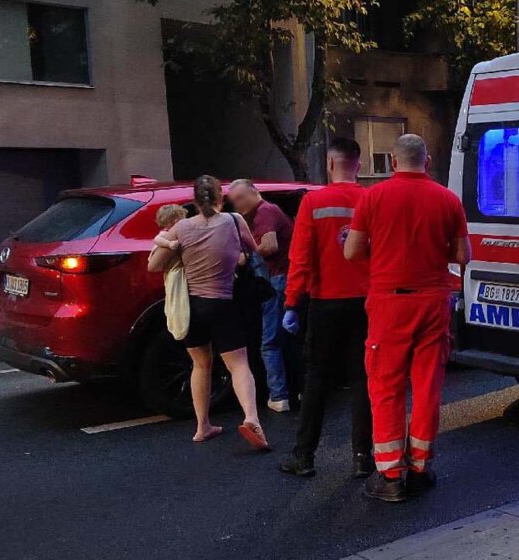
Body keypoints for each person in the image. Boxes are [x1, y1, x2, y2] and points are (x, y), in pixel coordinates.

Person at [344, 134, 471, 502]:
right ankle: (419, 467)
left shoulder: (373, 197)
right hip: (433, 301)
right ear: (426, 161)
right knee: (428, 385)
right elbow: (463, 255)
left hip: (389, 302)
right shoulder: (448, 200)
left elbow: (352, 252)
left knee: (386, 385)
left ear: (393, 162)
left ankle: (390, 475)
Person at [148, 175, 270, 450]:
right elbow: (253, 250)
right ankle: (252, 418)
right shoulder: (234, 221)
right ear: (220, 199)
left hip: (192, 308)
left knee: (201, 365)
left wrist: (172, 246)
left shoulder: (181, 227)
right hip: (223, 304)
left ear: (194, 201)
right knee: (239, 364)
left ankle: (202, 426)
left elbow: (154, 265)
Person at [278, 137, 374, 479]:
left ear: (330, 164)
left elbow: (300, 258)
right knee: (363, 379)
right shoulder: (371, 199)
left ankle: (304, 456)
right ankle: (363, 457)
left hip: (325, 303)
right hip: (366, 303)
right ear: (358, 165)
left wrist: (291, 303)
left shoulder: (313, 202)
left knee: (317, 379)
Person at [228, 179, 294, 413]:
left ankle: (278, 395)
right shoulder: (264, 213)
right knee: (286, 338)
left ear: (254, 193)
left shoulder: (265, 212)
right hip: (282, 280)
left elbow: (270, 245)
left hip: (276, 281)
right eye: (233, 201)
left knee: (270, 341)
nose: (237, 205)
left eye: (240, 198)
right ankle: (294, 390)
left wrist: (246, 256)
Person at [152, 205, 189, 341]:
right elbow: (157, 240)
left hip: (179, 271)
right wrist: (169, 244)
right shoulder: (166, 235)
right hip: (175, 273)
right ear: (174, 221)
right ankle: (179, 327)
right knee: (176, 300)